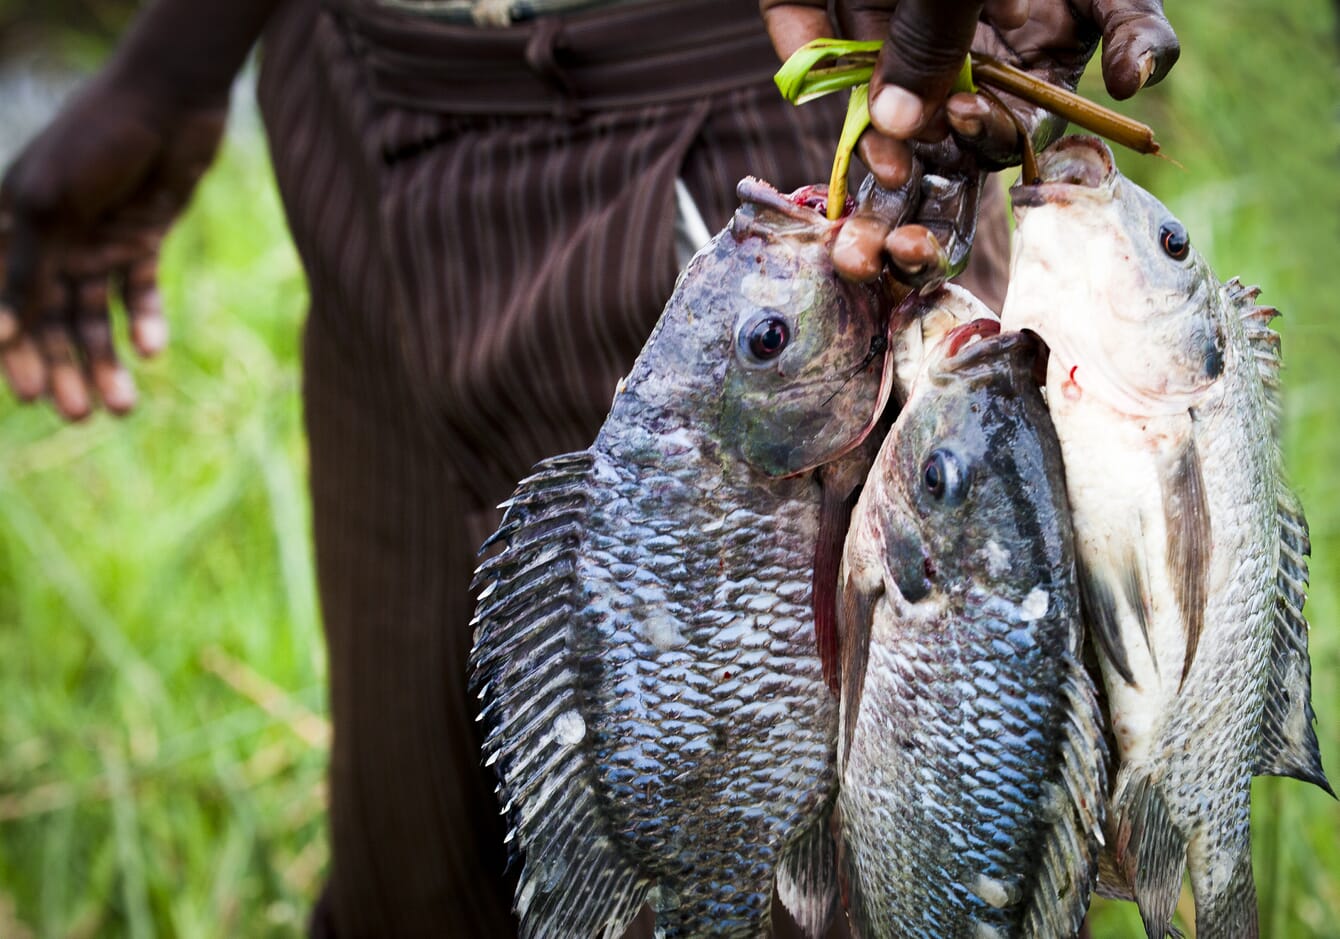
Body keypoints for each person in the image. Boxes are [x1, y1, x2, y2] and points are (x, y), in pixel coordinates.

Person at [0, 1, 1177, 935]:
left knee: (849, 894)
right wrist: (175, 62)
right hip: (359, 101)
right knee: (411, 882)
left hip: (754, 94)